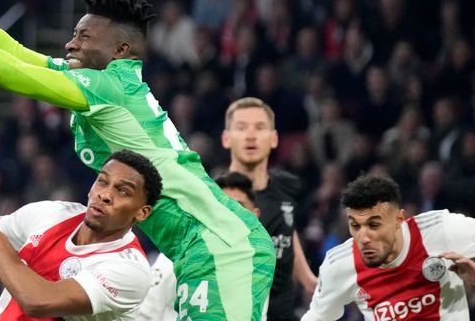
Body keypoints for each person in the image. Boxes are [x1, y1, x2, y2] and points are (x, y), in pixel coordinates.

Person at [0, 0, 275, 319]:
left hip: (220, 243)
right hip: (200, 246)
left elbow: (7, 72)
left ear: (120, 50)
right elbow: (13, 53)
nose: (70, 44)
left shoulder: (107, 88)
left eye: (84, 37)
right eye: (73, 35)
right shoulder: (110, 84)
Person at [0, 149, 162, 320]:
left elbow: (38, 301)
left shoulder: (129, 270)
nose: (105, 195)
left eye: (122, 191)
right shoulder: (56, 213)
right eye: (102, 181)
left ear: (142, 212)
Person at [302, 174, 475, 320]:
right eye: (355, 225)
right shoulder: (339, 265)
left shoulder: (442, 230)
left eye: (374, 225)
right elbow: (317, 316)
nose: (363, 238)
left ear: (399, 219)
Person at [221, 97, 317, 320]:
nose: (251, 135)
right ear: (226, 138)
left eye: (260, 127)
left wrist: (308, 279)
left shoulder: (287, 186)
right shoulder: (216, 197)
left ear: (274, 139)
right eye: (241, 128)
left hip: (283, 313)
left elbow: (287, 233)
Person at [136, 171, 261, 321]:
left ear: (254, 216)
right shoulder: (179, 256)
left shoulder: (258, 265)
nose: (231, 213)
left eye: (239, 207)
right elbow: (145, 314)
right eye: (224, 206)